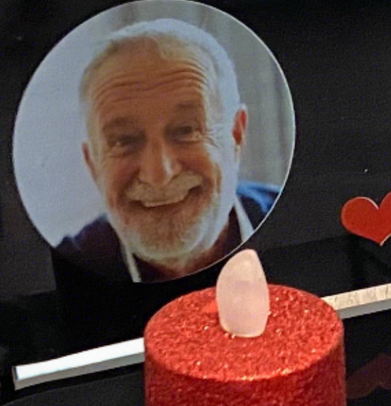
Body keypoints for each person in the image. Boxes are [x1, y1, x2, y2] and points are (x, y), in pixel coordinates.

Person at [54, 18, 280, 283]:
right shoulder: (64, 273)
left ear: (236, 135)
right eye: (123, 141)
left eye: (185, 130)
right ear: (92, 164)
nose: (158, 175)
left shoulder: (299, 220)